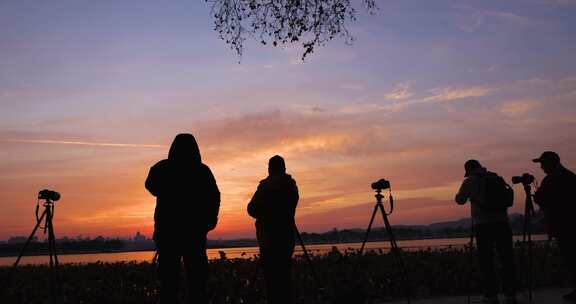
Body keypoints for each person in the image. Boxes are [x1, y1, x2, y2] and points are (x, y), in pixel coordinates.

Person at [145, 133, 220, 304]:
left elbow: (150, 186)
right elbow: (214, 197)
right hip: (194, 234)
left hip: (168, 233)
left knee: (168, 283)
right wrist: (209, 221)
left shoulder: (162, 168)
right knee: (197, 282)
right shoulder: (202, 171)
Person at [455, 159, 516, 304]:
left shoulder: (470, 181)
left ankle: (491, 296)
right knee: (506, 259)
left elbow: (460, 200)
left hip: (483, 225)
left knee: (486, 261)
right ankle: (510, 295)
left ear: (469, 170)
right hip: (502, 223)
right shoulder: (496, 177)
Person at [247, 155, 299, 304]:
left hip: (268, 239)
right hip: (286, 238)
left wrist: (265, 212)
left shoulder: (264, 187)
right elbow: (292, 205)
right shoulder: (291, 186)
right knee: (285, 278)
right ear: (284, 168)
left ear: (270, 169)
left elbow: (251, 209)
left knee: (271, 281)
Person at [533, 151, 576, 302]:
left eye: (543, 164)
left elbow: (540, 199)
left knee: (571, 257)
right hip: (570, 224)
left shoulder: (551, 179)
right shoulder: (571, 176)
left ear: (551, 163)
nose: (541, 167)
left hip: (562, 225)